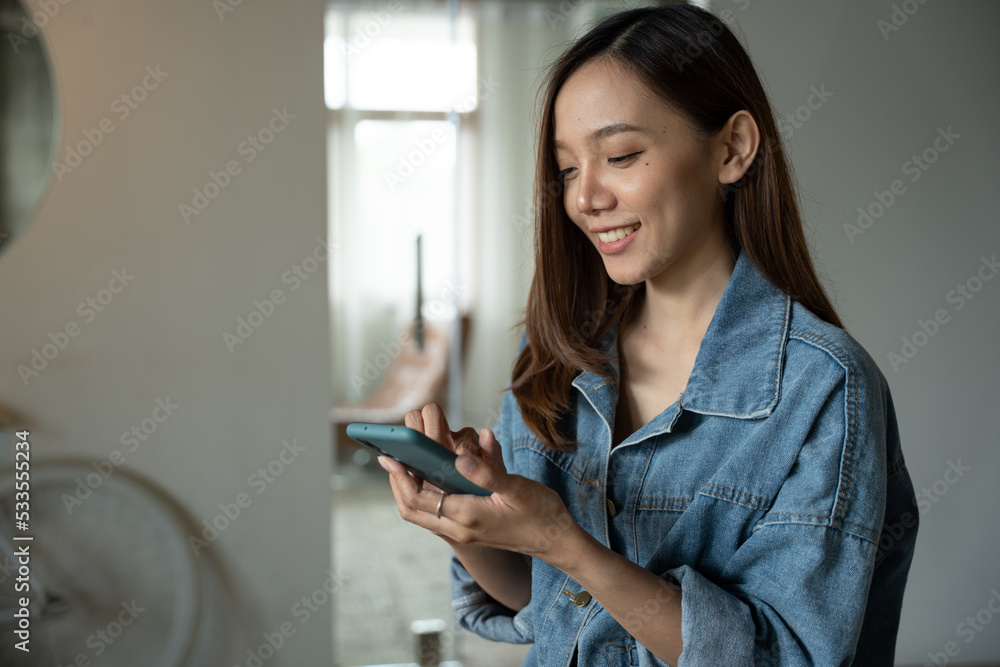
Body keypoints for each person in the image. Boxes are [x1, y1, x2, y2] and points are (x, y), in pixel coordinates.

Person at [379, 4, 918, 665]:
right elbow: (538, 603)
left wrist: (562, 538)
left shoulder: (824, 389)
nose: (584, 198)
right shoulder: (554, 358)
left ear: (732, 148)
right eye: (568, 168)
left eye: (621, 155)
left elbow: (782, 656)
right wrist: (469, 521)